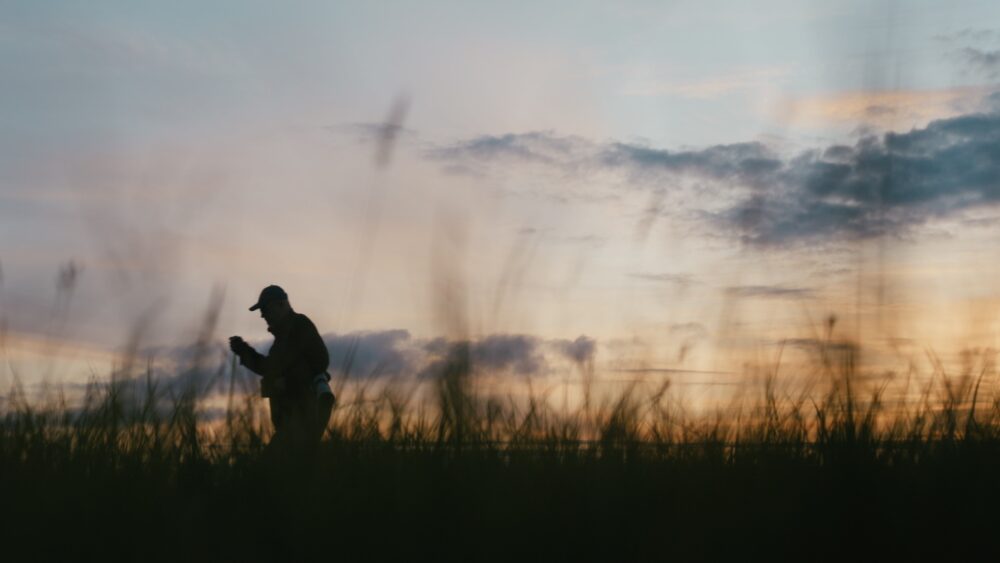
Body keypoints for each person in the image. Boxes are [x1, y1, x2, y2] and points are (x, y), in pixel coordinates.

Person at [229, 285, 334, 457]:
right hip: (292, 422)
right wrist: (244, 351)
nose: (262, 315)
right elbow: (271, 368)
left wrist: (289, 383)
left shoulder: (299, 326)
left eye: (265, 308)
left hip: (303, 417)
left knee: (267, 473)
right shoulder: (283, 338)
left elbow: (321, 361)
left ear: (281, 304)